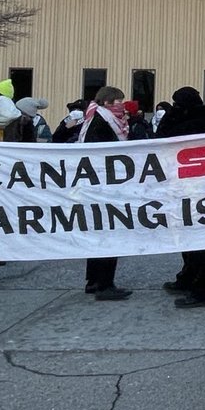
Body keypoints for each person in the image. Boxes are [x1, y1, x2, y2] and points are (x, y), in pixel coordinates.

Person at [157, 87, 205, 308]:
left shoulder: (197, 124)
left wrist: (172, 115)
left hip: (196, 188)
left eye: (177, 104)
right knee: (186, 239)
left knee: (197, 241)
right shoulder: (200, 120)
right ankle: (188, 277)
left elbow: (164, 137)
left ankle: (203, 289)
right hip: (185, 186)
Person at [78, 86, 133, 301]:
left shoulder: (95, 118)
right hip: (105, 186)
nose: (122, 105)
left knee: (98, 233)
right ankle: (104, 284)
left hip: (96, 185)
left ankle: (93, 280)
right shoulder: (103, 122)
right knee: (109, 234)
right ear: (108, 103)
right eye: (119, 101)